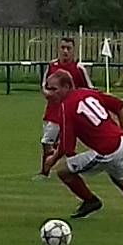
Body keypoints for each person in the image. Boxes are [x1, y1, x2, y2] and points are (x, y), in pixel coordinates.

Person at [42, 70, 123, 220]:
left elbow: (67, 148)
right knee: (120, 178)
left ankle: (90, 201)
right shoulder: (87, 92)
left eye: (54, 89)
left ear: (67, 87)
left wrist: (52, 160)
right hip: (120, 141)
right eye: (48, 88)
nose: (49, 93)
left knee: (63, 171)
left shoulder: (66, 107)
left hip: (106, 150)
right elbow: (120, 105)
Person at [34, 37, 94, 180]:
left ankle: (47, 171)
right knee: (48, 142)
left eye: (68, 48)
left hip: (72, 114)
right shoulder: (52, 66)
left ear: (74, 50)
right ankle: (48, 170)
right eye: (63, 48)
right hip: (54, 112)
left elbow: (90, 89)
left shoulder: (79, 68)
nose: (65, 51)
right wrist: (48, 93)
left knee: (63, 144)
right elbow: (44, 86)